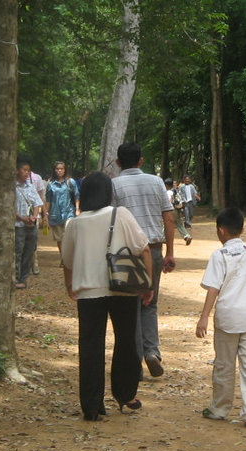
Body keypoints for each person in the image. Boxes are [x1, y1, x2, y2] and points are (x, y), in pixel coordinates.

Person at [61, 171, 154, 421]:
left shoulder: (74, 223)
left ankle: (92, 406)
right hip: (121, 288)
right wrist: (148, 284)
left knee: (90, 347)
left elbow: (67, 260)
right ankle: (126, 395)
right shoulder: (120, 214)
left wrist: (70, 285)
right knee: (126, 342)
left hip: (88, 293)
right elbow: (144, 249)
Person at [196, 208, 246, 428]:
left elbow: (213, 288)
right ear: (242, 229)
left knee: (224, 365)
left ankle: (219, 408)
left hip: (228, 318)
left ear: (221, 231)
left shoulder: (220, 255)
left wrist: (204, 317)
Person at [112, 142, 175, 378]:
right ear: (141, 161)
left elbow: (111, 221)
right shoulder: (156, 182)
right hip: (154, 249)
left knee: (131, 306)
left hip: (126, 253)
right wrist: (170, 252)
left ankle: (135, 362)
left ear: (118, 162)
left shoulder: (114, 185)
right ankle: (152, 352)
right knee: (150, 302)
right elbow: (168, 218)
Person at [14, 157, 43, 290]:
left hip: (31, 225)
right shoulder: (12, 188)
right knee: (18, 252)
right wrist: (21, 218)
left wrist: (34, 217)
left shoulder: (31, 187)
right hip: (18, 226)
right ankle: (15, 277)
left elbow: (37, 204)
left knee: (29, 252)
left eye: (28, 171)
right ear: (17, 171)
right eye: (24, 170)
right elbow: (10, 208)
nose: (27, 173)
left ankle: (23, 279)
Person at [44, 161, 80, 264]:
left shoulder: (70, 182)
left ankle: (71, 257)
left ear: (65, 170)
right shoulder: (51, 184)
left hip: (69, 212)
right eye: (57, 169)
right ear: (54, 170)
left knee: (69, 236)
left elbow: (77, 196)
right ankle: (63, 258)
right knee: (60, 239)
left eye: (61, 169)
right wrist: (46, 214)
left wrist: (77, 209)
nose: (59, 170)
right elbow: (48, 200)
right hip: (55, 214)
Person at [28, 166, 47, 276]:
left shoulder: (37, 178)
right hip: (19, 215)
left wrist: (45, 214)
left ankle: (34, 263)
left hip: (34, 215)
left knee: (33, 240)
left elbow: (41, 198)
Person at [164, 178, 192, 245]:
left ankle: (163, 238)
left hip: (170, 210)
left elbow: (169, 201)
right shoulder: (176, 191)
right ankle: (187, 236)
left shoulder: (168, 192)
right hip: (177, 209)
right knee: (179, 224)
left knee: (166, 223)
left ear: (166, 185)